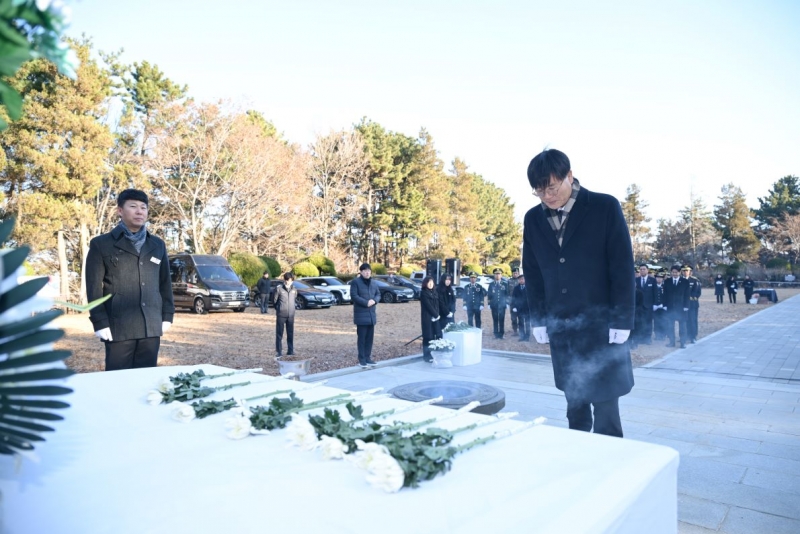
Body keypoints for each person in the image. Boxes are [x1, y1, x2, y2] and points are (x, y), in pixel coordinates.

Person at [523, 149, 634, 438]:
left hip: (601, 325)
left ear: (569, 176)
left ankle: (609, 454)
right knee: (574, 400)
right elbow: (533, 273)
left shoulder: (603, 206)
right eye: (539, 191)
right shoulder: (533, 219)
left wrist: (622, 319)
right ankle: (577, 448)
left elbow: (622, 266)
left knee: (606, 405)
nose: (547, 196)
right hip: (562, 326)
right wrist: (539, 319)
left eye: (551, 187)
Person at [86, 189, 175, 371]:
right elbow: (94, 287)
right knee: (118, 379)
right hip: (118, 325)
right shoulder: (101, 244)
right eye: (133, 206)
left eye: (143, 207)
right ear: (120, 210)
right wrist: (99, 321)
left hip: (151, 324)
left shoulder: (157, 245)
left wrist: (167, 315)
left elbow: (165, 283)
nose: (139, 211)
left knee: (147, 378)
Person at [351, 263, 381, 368]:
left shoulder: (374, 283)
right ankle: (362, 360)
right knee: (362, 339)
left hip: (371, 315)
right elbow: (354, 296)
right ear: (361, 272)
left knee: (369, 339)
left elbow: (378, 294)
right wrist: (366, 303)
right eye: (365, 271)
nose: (367, 273)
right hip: (361, 315)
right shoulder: (356, 282)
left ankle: (368, 358)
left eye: (368, 271)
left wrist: (374, 301)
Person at [663, 264, 690, 348]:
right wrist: (664, 305)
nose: (674, 274)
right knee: (670, 326)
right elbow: (665, 294)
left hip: (681, 307)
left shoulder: (685, 282)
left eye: (676, 272)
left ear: (679, 272)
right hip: (670, 307)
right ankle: (672, 342)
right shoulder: (667, 281)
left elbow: (687, 295)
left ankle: (682, 342)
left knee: (682, 326)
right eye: (673, 272)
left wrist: (686, 306)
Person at [274, 272, 297, 357]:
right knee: (279, 334)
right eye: (287, 280)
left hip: (291, 315)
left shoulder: (294, 289)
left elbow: (294, 299)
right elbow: (275, 301)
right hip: (281, 315)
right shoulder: (279, 289)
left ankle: (290, 350)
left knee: (290, 333)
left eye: (290, 280)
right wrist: (279, 309)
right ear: (285, 280)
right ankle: (279, 351)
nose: (289, 282)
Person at [420, 276, 442, 362]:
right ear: (425, 283)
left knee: (435, 336)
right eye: (429, 282)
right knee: (428, 337)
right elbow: (428, 306)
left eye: (432, 282)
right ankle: (427, 356)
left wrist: (437, 315)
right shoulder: (424, 293)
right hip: (427, 318)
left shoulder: (435, 292)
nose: (430, 284)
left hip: (435, 318)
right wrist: (435, 315)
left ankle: (433, 354)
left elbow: (437, 305)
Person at [635, 264, 656, 345]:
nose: (642, 271)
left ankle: (647, 338)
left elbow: (654, 292)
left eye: (644, 269)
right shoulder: (636, 280)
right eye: (641, 269)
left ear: (647, 270)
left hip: (648, 305)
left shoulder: (652, 280)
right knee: (639, 322)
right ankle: (639, 338)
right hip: (639, 305)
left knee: (648, 322)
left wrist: (655, 304)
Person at [487, 268, 509, 339]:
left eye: (499, 274)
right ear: (494, 275)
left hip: (502, 305)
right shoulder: (491, 284)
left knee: (502, 320)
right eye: (496, 274)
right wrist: (489, 304)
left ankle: (501, 334)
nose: (497, 275)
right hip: (494, 305)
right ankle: (496, 334)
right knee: (495, 320)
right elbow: (489, 295)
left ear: (501, 275)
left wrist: (507, 303)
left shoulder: (505, 284)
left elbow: (507, 294)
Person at [683, 265, 701, 343]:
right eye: (684, 271)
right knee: (684, 320)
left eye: (687, 271)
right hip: (683, 304)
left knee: (692, 320)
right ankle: (685, 335)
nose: (685, 272)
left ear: (690, 272)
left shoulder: (694, 280)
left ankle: (693, 336)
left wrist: (688, 298)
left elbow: (697, 293)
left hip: (692, 304)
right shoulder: (680, 280)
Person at [511, 273, 530, 341]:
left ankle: (527, 336)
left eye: (522, 279)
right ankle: (522, 336)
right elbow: (513, 298)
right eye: (520, 279)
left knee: (527, 323)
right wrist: (514, 306)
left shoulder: (528, 287)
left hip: (527, 308)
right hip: (519, 308)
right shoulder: (516, 288)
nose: (521, 280)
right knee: (521, 323)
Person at [652, 272, 667, 340]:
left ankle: (663, 335)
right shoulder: (653, 286)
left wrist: (665, 305)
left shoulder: (665, 286)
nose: (659, 279)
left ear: (663, 279)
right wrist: (653, 305)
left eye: (660, 278)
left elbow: (667, 296)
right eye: (657, 278)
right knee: (656, 321)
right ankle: (657, 335)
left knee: (663, 321)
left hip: (663, 307)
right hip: (655, 307)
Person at [507, 267, 521, 334]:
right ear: (512, 274)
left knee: (521, 317)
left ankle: (521, 330)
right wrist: (508, 301)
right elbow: (507, 292)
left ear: (518, 273)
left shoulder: (521, 280)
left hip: (520, 302)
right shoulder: (509, 281)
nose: (515, 274)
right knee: (513, 318)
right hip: (512, 302)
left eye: (516, 273)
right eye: (514, 273)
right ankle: (515, 330)